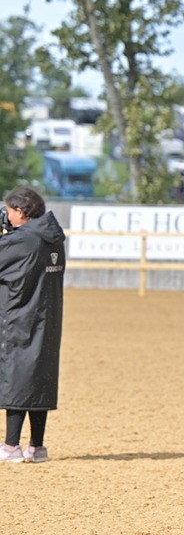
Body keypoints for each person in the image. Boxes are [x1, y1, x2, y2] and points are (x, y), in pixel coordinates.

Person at [0, 187, 66, 463]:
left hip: (20, 317)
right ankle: (37, 447)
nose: (7, 215)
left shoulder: (23, 240)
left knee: (17, 376)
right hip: (48, 319)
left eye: (10, 211)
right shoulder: (53, 238)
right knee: (40, 379)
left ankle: (11, 446)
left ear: (22, 211)